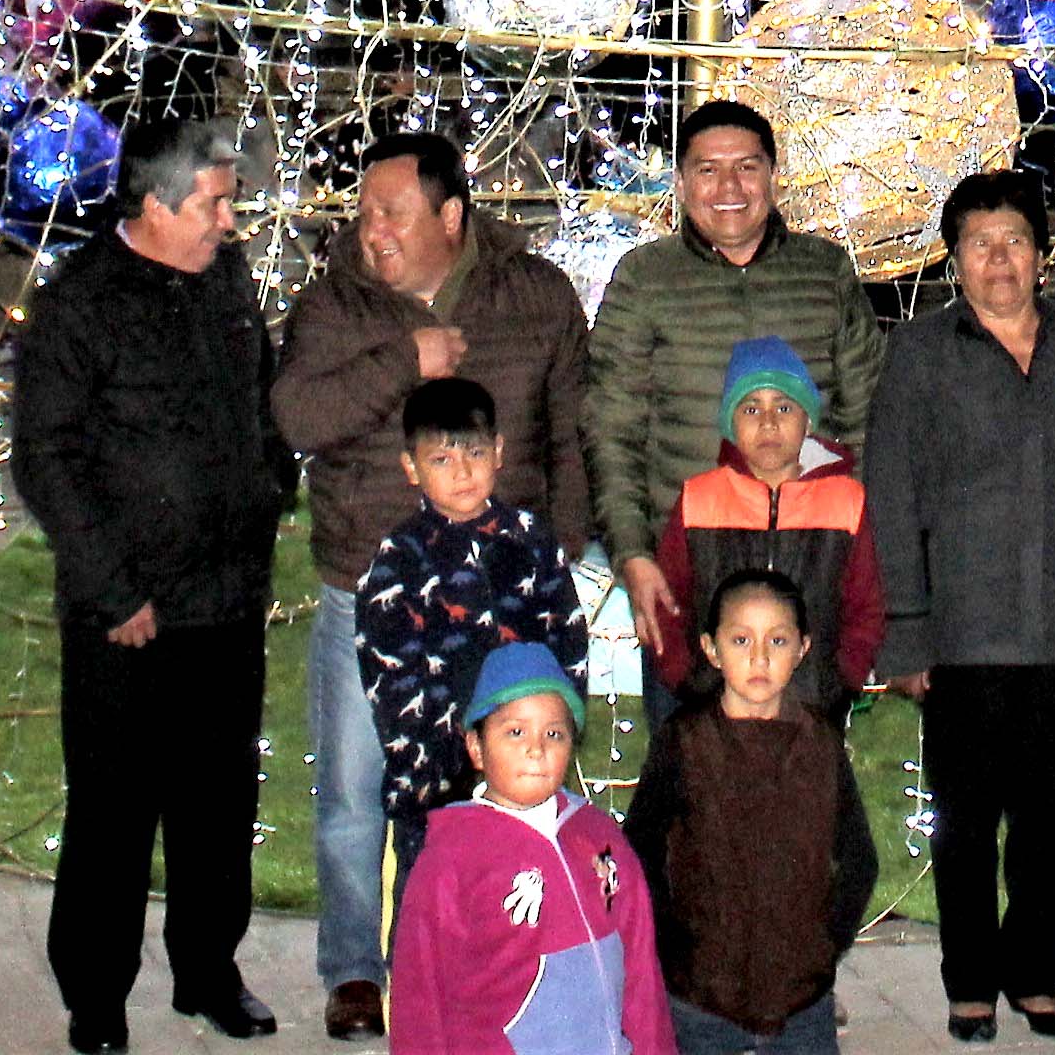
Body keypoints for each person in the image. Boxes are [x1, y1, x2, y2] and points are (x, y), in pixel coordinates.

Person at [272, 131, 595, 1040]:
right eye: (365, 211)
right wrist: (406, 362)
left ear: (451, 216)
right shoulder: (338, 303)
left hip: (501, 597)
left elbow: (572, 429)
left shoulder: (532, 296)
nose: (370, 229)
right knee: (355, 789)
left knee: (494, 786)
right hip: (367, 594)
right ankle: (352, 970)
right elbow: (296, 415)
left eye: (391, 212)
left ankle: (488, 950)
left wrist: (562, 543)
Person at [8, 114, 283, 1052]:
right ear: (158, 203)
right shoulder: (82, 300)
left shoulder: (229, 283)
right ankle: (97, 994)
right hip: (128, 613)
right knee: (115, 813)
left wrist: (267, 490)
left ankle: (208, 970)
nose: (227, 220)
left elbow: (258, 402)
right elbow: (46, 458)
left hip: (228, 598)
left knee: (218, 804)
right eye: (214, 203)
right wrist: (110, 587)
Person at [863, 171, 1055, 1046]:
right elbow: (892, 494)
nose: (1000, 259)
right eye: (981, 243)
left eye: (1016, 241)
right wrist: (905, 632)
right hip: (962, 631)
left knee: (1046, 818)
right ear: (954, 258)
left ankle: (1036, 975)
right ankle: (970, 983)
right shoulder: (919, 354)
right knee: (964, 821)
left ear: (1043, 254)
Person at [591, 106, 884, 701]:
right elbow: (611, 428)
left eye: (747, 168)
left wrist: (853, 547)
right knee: (692, 768)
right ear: (679, 182)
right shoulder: (646, 279)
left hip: (811, 568)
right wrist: (633, 555)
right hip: (689, 568)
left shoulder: (823, 273)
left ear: (773, 176)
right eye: (707, 170)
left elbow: (866, 416)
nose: (729, 189)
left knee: (799, 773)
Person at [627, 564, 879, 1055]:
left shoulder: (820, 744)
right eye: (741, 641)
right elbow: (641, 849)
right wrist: (672, 948)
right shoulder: (684, 742)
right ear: (710, 648)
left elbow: (859, 861)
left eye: (778, 641)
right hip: (700, 997)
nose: (759, 657)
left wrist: (823, 949)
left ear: (803, 649)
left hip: (800, 998)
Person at [360, 374, 593, 880]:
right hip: (436, 789)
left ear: (499, 451)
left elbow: (567, 645)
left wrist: (552, 734)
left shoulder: (531, 541)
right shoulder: (399, 559)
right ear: (411, 468)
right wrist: (440, 765)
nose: (462, 473)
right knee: (434, 918)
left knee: (524, 906)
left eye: (475, 455)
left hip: (527, 777)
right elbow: (389, 679)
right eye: (441, 460)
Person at [387, 645, 673, 1055]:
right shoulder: (452, 859)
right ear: (477, 748)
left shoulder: (599, 838)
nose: (536, 748)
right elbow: (420, 997)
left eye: (553, 733)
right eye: (515, 731)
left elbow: (641, 970)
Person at [648, 343, 875, 701]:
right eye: (751, 408)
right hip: (714, 706)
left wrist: (841, 681)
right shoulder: (699, 498)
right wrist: (687, 680)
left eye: (783, 407)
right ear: (731, 423)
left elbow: (866, 606)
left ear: (808, 421)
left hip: (812, 706)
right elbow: (669, 599)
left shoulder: (846, 501)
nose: (768, 423)